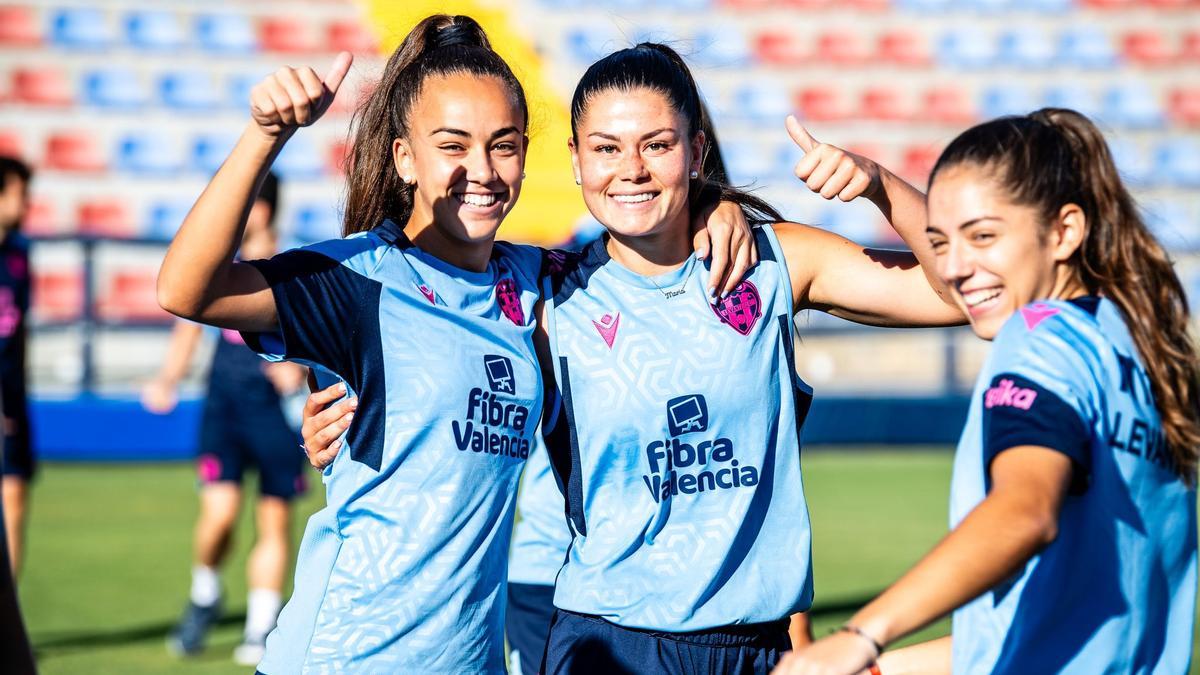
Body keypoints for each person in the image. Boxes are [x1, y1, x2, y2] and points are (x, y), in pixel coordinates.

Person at [301, 42, 965, 675]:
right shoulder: (544, 289)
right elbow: (426, 322)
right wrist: (343, 408)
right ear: (576, 159)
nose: (631, 168)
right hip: (611, 643)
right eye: (607, 148)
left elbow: (957, 292)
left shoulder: (774, 263)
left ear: (696, 149)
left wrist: (879, 187)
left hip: (758, 642)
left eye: (658, 144)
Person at [156, 15, 749, 673]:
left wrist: (709, 204)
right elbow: (189, 288)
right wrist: (266, 136)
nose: (483, 170)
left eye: (503, 145)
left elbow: (646, 246)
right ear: (405, 158)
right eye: (453, 145)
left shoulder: (534, 283)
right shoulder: (360, 279)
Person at [773, 109, 1199, 675]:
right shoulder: (1141, 350)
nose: (955, 268)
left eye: (984, 237)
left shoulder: (1039, 341)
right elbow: (1056, 620)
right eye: (941, 243)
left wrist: (861, 635)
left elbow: (1023, 514)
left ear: (1064, 231)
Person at [143, 172, 309, 664]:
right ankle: (205, 592)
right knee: (218, 516)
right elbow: (190, 325)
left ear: (260, 210)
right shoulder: (221, 262)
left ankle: (260, 625)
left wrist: (297, 371)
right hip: (225, 405)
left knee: (274, 519)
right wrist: (168, 380)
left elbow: (317, 331)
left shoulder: (294, 264)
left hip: (275, 415)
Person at [0, 156, 33, 580]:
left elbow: (21, 326)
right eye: (21, 194)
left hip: (10, 396)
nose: (27, 204)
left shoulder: (21, 253)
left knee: (15, 495)